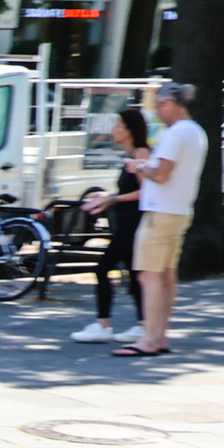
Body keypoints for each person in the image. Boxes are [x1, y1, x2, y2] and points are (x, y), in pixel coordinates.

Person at [117, 83, 205, 357]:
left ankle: (148, 339)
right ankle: (160, 336)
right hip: (179, 210)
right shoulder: (196, 131)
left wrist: (140, 166)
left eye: (159, 106)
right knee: (167, 275)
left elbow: (162, 174)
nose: (157, 113)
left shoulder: (176, 133)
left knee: (148, 275)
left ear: (170, 103)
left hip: (161, 210)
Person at [72, 108, 147, 345]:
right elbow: (129, 190)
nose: (113, 130)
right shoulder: (131, 154)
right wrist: (107, 196)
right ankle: (144, 325)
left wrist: (113, 199)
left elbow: (146, 191)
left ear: (129, 131)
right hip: (127, 221)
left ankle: (103, 325)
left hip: (132, 223)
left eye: (117, 126)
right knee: (135, 275)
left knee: (103, 268)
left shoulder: (141, 153)